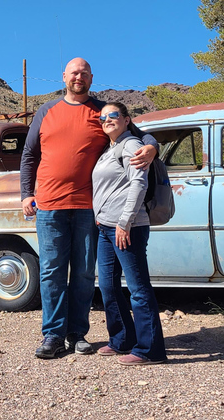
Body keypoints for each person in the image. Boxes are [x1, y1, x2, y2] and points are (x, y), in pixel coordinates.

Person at [20, 58, 157, 359]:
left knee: (83, 273)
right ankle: (53, 335)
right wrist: (26, 193)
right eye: (74, 73)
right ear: (64, 77)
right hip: (49, 205)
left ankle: (77, 334)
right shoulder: (46, 111)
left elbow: (137, 133)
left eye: (84, 73)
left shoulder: (102, 111)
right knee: (51, 271)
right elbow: (29, 155)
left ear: (91, 77)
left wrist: (152, 146)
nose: (79, 77)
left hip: (87, 207)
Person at [91, 102, 167, 366]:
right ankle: (122, 339)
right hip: (105, 227)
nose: (107, 120)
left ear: (126, 119)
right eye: (103, 118)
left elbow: (138, 182)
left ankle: (150, 350)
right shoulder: (110, 149)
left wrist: (125, 221)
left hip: (127, 227)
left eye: (113, 115)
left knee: (137, 288)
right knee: (109, 286)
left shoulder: (132, 145)